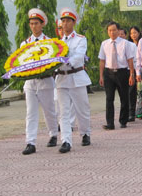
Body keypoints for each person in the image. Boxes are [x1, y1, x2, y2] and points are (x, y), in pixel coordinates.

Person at [21, 8, 59, 155]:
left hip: (45, 81)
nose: (33, 26)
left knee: (49, 111)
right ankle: (30, 142)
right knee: (30, 112)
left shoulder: (49, 42)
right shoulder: (25, 43)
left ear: (42, 25)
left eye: (36, 23)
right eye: (31, 23)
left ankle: (53, 134)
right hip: (30, 82)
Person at [56, 8, 92, 153]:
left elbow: (78, 57)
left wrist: (63, 61)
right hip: (62, 78)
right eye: (63, 21)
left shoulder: (80, 39)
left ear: (73, 22)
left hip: (76, 77)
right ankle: (66, 141)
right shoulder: (57, 43)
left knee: (82, 109)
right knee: (63, 112)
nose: (65, 24)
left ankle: (85, 133)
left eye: (68, 21)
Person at [99, 22, 135, 129]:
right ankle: (110, 123)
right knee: (109, 98)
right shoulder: (104, 44)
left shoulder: (125, 43)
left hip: (122, 72)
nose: (112, 32)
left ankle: (123, 120)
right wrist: (101, 76)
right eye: (110, 30)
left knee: (124, 97)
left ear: (118, 31)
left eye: (114, 30)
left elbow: (130, 60)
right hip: (109, 73)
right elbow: (102, 60)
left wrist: (131, 74)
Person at [54, 19, 76, 132]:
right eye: (59, 28)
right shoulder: (55, 45)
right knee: (58, 102)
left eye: (62, 28)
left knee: (73, 102)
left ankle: (70, 123)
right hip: (60, 76)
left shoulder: (75, 40)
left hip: (73, 74)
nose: (61, 30)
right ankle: (62, 122)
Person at [128, 26, 142, 120]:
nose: (133, 35)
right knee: (131, 92)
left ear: (139, 33)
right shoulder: (128, 45)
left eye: (135, 33)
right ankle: (131, 113)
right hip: (132, 71)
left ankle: (141, 112)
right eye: (131, 33)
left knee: (141, 92)